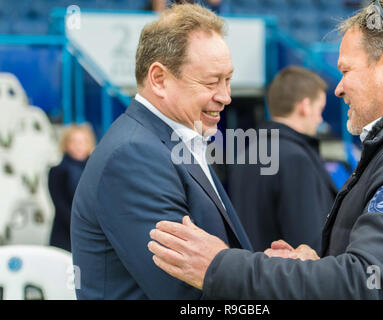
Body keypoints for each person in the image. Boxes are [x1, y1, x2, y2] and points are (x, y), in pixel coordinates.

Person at [148, 0, 383, 299]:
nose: (339, 87)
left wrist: (219, 267)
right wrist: (320, 264)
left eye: (345, 70)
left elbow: (364, 284)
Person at [71, 3, 252, 300]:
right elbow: (187, 296)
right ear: (159, 79)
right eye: (211, 82)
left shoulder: (171, 140)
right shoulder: (133, 156)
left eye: (228, 80)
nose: (225, 96)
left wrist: (269, 267)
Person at [228, 66, 337, 253]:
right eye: (320, 109)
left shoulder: (248, 153)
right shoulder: (296, 159)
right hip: (286, 278)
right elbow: (309, 244)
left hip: (249, 274)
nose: (320, 120)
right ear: (304, 106)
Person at [48, 124, 95, 252]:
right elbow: (61, 205)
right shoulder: (57, 171)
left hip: (92, 235)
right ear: (66, 144)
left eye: (82, 142)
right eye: (74, 142)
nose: (78, 146)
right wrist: (83, 228)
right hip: (65, 235)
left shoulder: (95, 171)